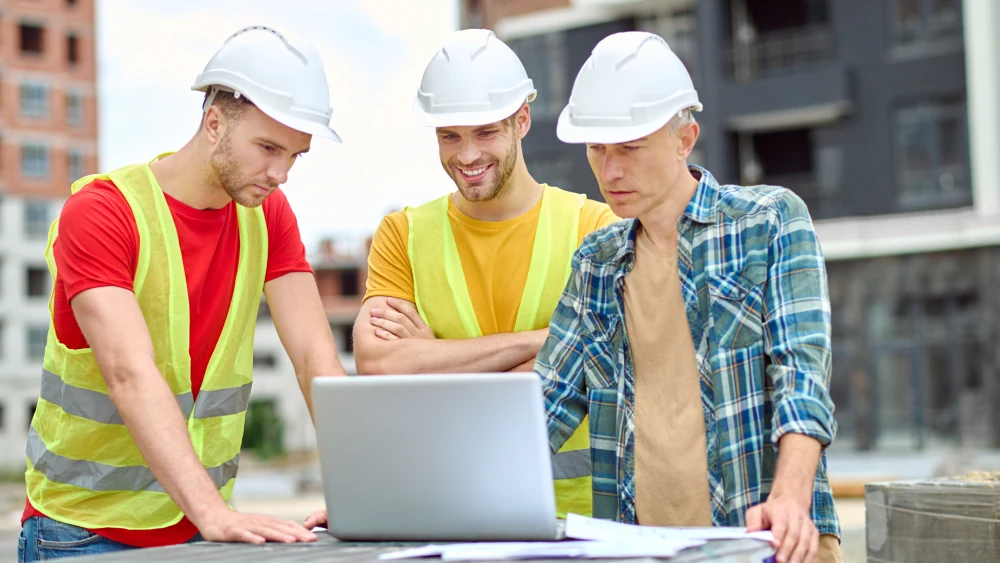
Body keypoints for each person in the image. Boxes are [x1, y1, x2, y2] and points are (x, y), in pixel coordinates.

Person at [19, 26, 346, 561]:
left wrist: (355, 485)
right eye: (268, 148)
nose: (281, 173)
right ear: (214, 122)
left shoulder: (268, 217)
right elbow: (129, 371)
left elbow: (315, 357)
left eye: (296, 155)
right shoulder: (103, 213)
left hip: (202, 532)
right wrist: (212, 512)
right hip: (82, 534)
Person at [536, 31, 842, 563]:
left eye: (630, 148)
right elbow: (543, 408)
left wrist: (789, 496)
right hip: (641, 547)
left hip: (767, 539)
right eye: (596, 148)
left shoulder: (769, 221)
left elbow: (802, 373)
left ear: (685, 139)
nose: (610, 171)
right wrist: (398, 502)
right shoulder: (595, 262)